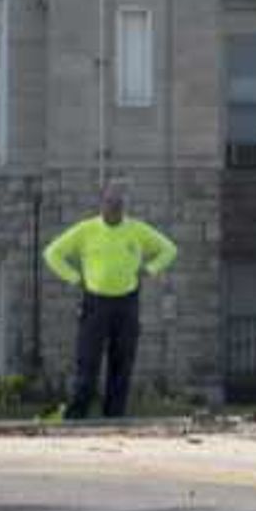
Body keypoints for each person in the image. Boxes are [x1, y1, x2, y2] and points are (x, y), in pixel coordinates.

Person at [43, 177, 178, 419]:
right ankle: (76, 418)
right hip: (95, 303)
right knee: (87, 363)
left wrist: (149, 269)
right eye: (110, 201)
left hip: (127, 303)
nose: (114, 207)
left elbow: (169, 249)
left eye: (119, 203)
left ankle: (114, 417)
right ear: (101, 203)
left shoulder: (137, 230)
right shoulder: (86, 230)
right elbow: (52, 253)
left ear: (124, 206)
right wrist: (75, 277)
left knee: (122, 362)